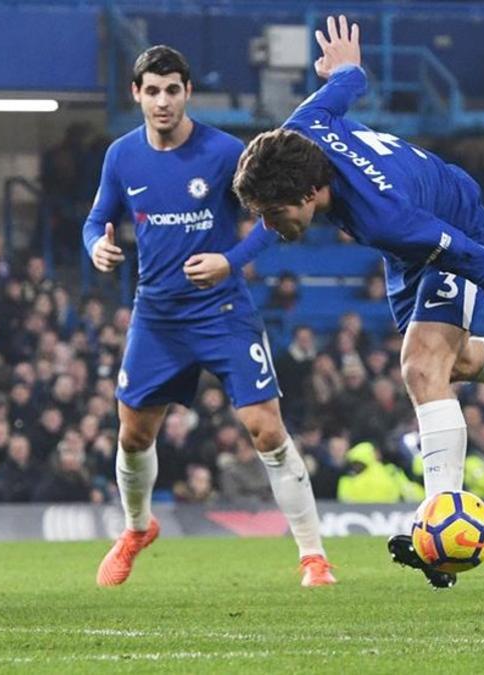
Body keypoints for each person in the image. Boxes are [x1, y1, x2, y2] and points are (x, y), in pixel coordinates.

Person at [231, 16, 484, 590]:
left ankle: (439, 532)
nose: (269, 227)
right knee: (451, 363)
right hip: (411, 228)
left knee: (421, 365)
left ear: (311, 193)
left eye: (273, 214)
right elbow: (350, 82)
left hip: (451, 221)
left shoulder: (387, 220)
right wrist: (343, 67)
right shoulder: (299, 128)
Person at [82, 46, 334, 588]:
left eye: (173, 89)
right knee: (132, 435)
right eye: (152, 90)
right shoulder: (122, 156)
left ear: (187, 91)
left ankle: (313, 557)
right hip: (158, 315)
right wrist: (94, 247)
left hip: (221, 311)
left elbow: (275, 216)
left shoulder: (224, 152)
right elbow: (97, 218)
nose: (163, 101)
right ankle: (135, 528)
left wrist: (230, 260)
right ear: (137, 94)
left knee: (265, 428)